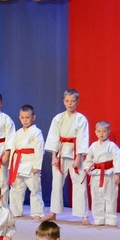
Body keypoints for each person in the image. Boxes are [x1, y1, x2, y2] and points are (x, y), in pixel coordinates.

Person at [44, 88, 89, 221]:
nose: (70, 104)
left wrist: (79, 157)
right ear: (64, 101)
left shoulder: (81, 119)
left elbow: (82, 138)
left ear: (78, 102)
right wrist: (53, 156)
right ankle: (53, 212)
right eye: (67, 101)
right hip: (61, 153)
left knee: (79, 182)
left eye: (73, 101)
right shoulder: (58, 118)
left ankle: (83, 215)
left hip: (75, 153)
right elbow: (53, 137)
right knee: (56, 183)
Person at [8, 104, 46, 219]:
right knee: (16, 189)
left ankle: (37, 212)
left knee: (35, 189)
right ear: (19, 118)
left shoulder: (36, 132)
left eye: (27, 117)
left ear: (33, 118)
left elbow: (39, 149)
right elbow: (13, 149)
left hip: (30, 164)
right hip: (18, 164)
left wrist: (36, 165)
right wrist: (11, 166)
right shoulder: (18, 132)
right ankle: (15, 211)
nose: (25, 120)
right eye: (22, 117)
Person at [82, 122, 120, 226]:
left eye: (104, 131)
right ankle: (98, 219)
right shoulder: (93, 146)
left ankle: (111, 219)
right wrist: (88, 169)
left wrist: (117, 174)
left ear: (108, 132)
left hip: (109, 174)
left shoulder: (112, 146)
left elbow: (117, 159)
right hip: (96, 174)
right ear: (95, 132)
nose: (101, 133)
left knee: (110, 197)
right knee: (96, 198)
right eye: (99, 131)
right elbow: (88, 160)